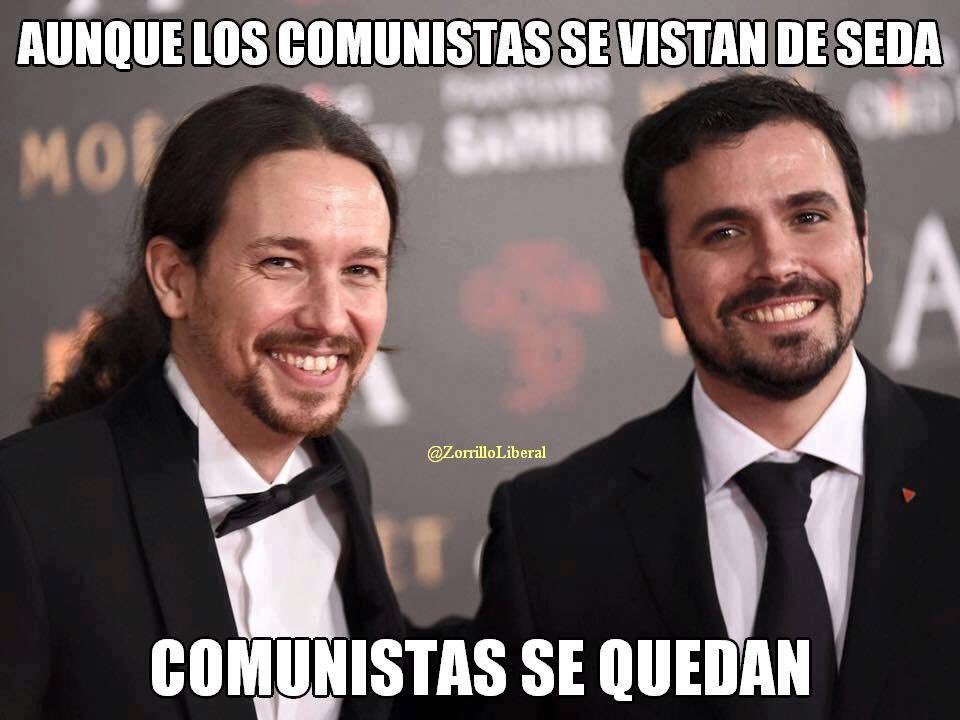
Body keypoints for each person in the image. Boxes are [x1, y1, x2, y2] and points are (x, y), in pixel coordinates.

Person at [473, 75, 960, 718]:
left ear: (863, 244)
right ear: (660, 281)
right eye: (725, 233)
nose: (777, 264)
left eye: (808, 217)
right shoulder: (548, 533)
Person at [0, 84, 403, 720]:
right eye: (281, 262)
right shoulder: (26, 504)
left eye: (360, 271)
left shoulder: (340, 470)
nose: (329, 317)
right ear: (174, 279)